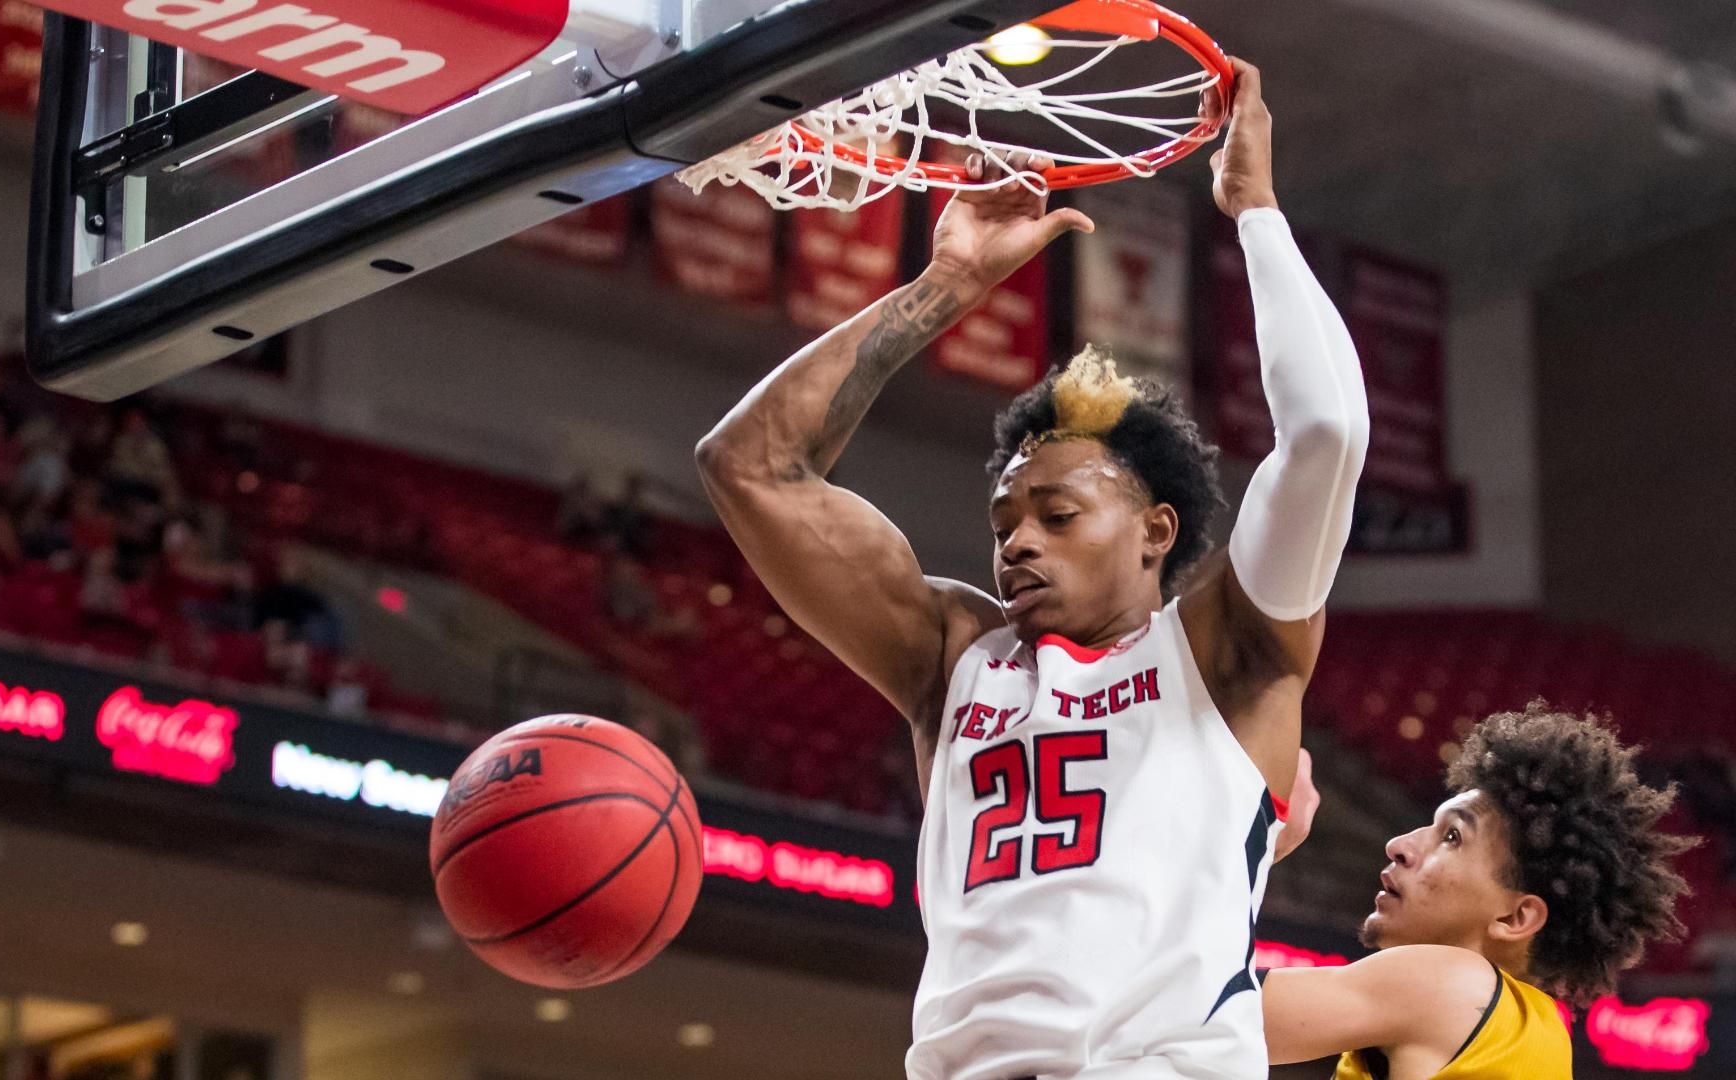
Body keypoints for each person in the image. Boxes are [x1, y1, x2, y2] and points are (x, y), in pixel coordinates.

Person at [695, 60, 1369, 1080]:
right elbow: (749, 467)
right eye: (1006, 517)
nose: (1016, 541)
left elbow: (1325, 430)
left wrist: (1255, 212)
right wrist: (946, 287)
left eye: (1058, 514)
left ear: (1153, 528)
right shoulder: (955, 654)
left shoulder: (1225, 654)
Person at [1263, 705, 1696, 1078]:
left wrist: (1260, 844)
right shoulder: (1539, 1034)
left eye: (1451, 837)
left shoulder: (1453, 983)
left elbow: (1208, 1011)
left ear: (1515, 918)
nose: (1400, 846)